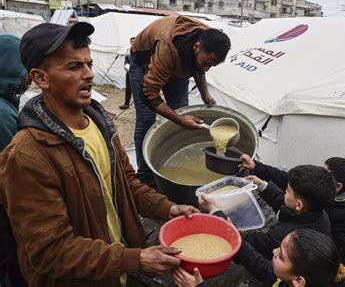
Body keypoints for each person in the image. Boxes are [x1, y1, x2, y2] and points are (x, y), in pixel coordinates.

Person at [0, 22, 199, 287]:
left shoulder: (99, 124)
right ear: (41, 78)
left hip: (114, 272)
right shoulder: (26, 155)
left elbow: (127, 183)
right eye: (74, 67)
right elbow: (49, 250)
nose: (89, 75)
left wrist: (169, 208)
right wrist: (134, 259)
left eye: (89, 64)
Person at [130, 15, 231, 185]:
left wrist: (205, 94)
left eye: (211, 66)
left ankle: (181, 155)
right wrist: (179, 119)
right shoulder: (167, 48)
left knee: (182, 109)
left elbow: (199, 68)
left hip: (179, 66)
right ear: (196, 47)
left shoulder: (207, 38)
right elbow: (148, 94)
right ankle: (145, 175)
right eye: (206, 62)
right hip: (143, 63)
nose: (206, 68)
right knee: (147, 120)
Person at [180, 195, 345, 287]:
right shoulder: (286, 279)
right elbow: (258, 264)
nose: (273, 252)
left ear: (298, 281)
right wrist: (227, 227)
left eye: (281, 256)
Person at [242, 165, 335, 260]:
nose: (285, 192)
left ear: (299, 205)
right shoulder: (318, 212)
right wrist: (262, 185)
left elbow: (254, 243)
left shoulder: (284, 237)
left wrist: (234, 232)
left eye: (287, 191)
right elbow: (284, 202)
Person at [0, 33, 30, 287]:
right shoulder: (2, 115)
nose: (27, 79)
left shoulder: (5, 104)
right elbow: (14, 174)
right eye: (22, 71)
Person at [119, 36, 135, 110]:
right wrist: (127, 68)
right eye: (132, 41)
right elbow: (126, 61)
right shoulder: (128, 51)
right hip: (129, 73)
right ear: (130, 42)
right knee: (128, 88)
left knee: (137, 89)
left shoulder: (138, 51)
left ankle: (138, 105)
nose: (133, 42)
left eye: (134, 41)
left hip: (136, 74)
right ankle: (126, 104)